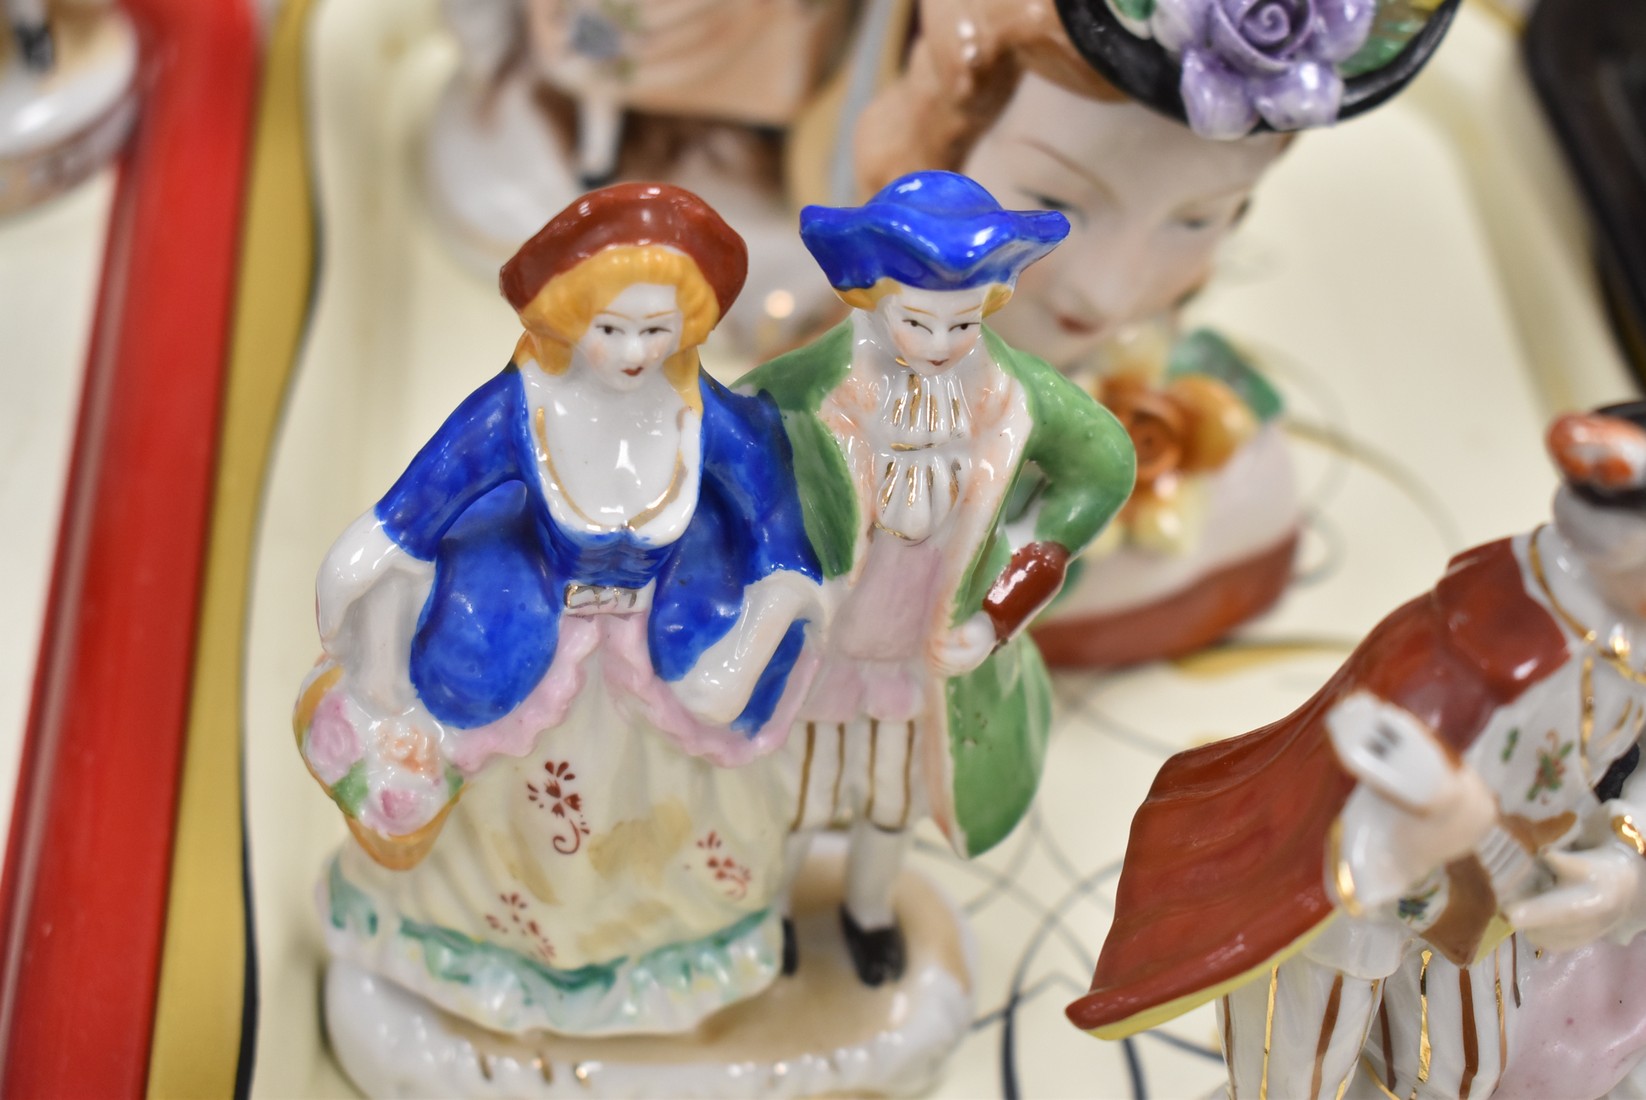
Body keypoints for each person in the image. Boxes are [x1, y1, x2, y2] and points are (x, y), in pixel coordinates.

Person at [294, 182, 825, 1038]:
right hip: (540, 661)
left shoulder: (706, 417)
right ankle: (489, 957)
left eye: (657, 331)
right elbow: (414, 513)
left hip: (660, 666)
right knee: (528, 825)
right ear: (570, 317)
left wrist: (753, 638)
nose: (634, 353)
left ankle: (670, 961)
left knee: (671, 821)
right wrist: (354, 574)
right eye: (611, 329)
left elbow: (780, 541)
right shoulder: (522, 408)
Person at [1069, 404, 1646, 1100]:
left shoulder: (1618, 639)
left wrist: (1624, 857)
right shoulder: (1480, 640)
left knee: (1455, 1072)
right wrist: (1442, 825)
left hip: (1491, 914)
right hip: (1360, 904)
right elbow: (1356, 791)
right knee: (1299, 1071)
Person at [739, 170, 1136, 983]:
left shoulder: (1008, 393)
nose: (939, 343)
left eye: (962, 322)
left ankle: (869, 910)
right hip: (828, 637)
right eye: (916, 321)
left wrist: (1003, 607)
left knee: (894, 801)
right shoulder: (814, 383)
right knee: (797, 795)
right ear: (874, 301)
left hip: (925, 646)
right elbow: (733, 437)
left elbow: (1103, 467)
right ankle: (771, 913)